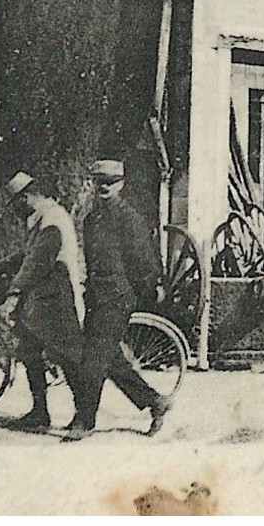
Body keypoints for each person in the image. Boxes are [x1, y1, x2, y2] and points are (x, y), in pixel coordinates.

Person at [66, 159, 167, 440]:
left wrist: (151, 287)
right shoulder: (91, 220)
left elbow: (142, 260)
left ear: (121, 184)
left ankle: (85, 421)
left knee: (93, 360)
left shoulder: (129, 219)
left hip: (118, 297)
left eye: (111, 181)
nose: (105, 187)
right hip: (97, 297)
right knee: (110, 359)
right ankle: (156, 402)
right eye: (100, 181)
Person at [0, 171, 85, 430]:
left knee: (67, 357)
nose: (14, 212)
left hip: (58, 297)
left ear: (25, 198)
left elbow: (39, 260)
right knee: (28, 350)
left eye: (15, 205)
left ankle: (83, 416)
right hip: (42, 297)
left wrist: (14, 292)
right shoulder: (40, 217)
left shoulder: (52, 219)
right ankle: (40, 411)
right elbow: (29, 255)